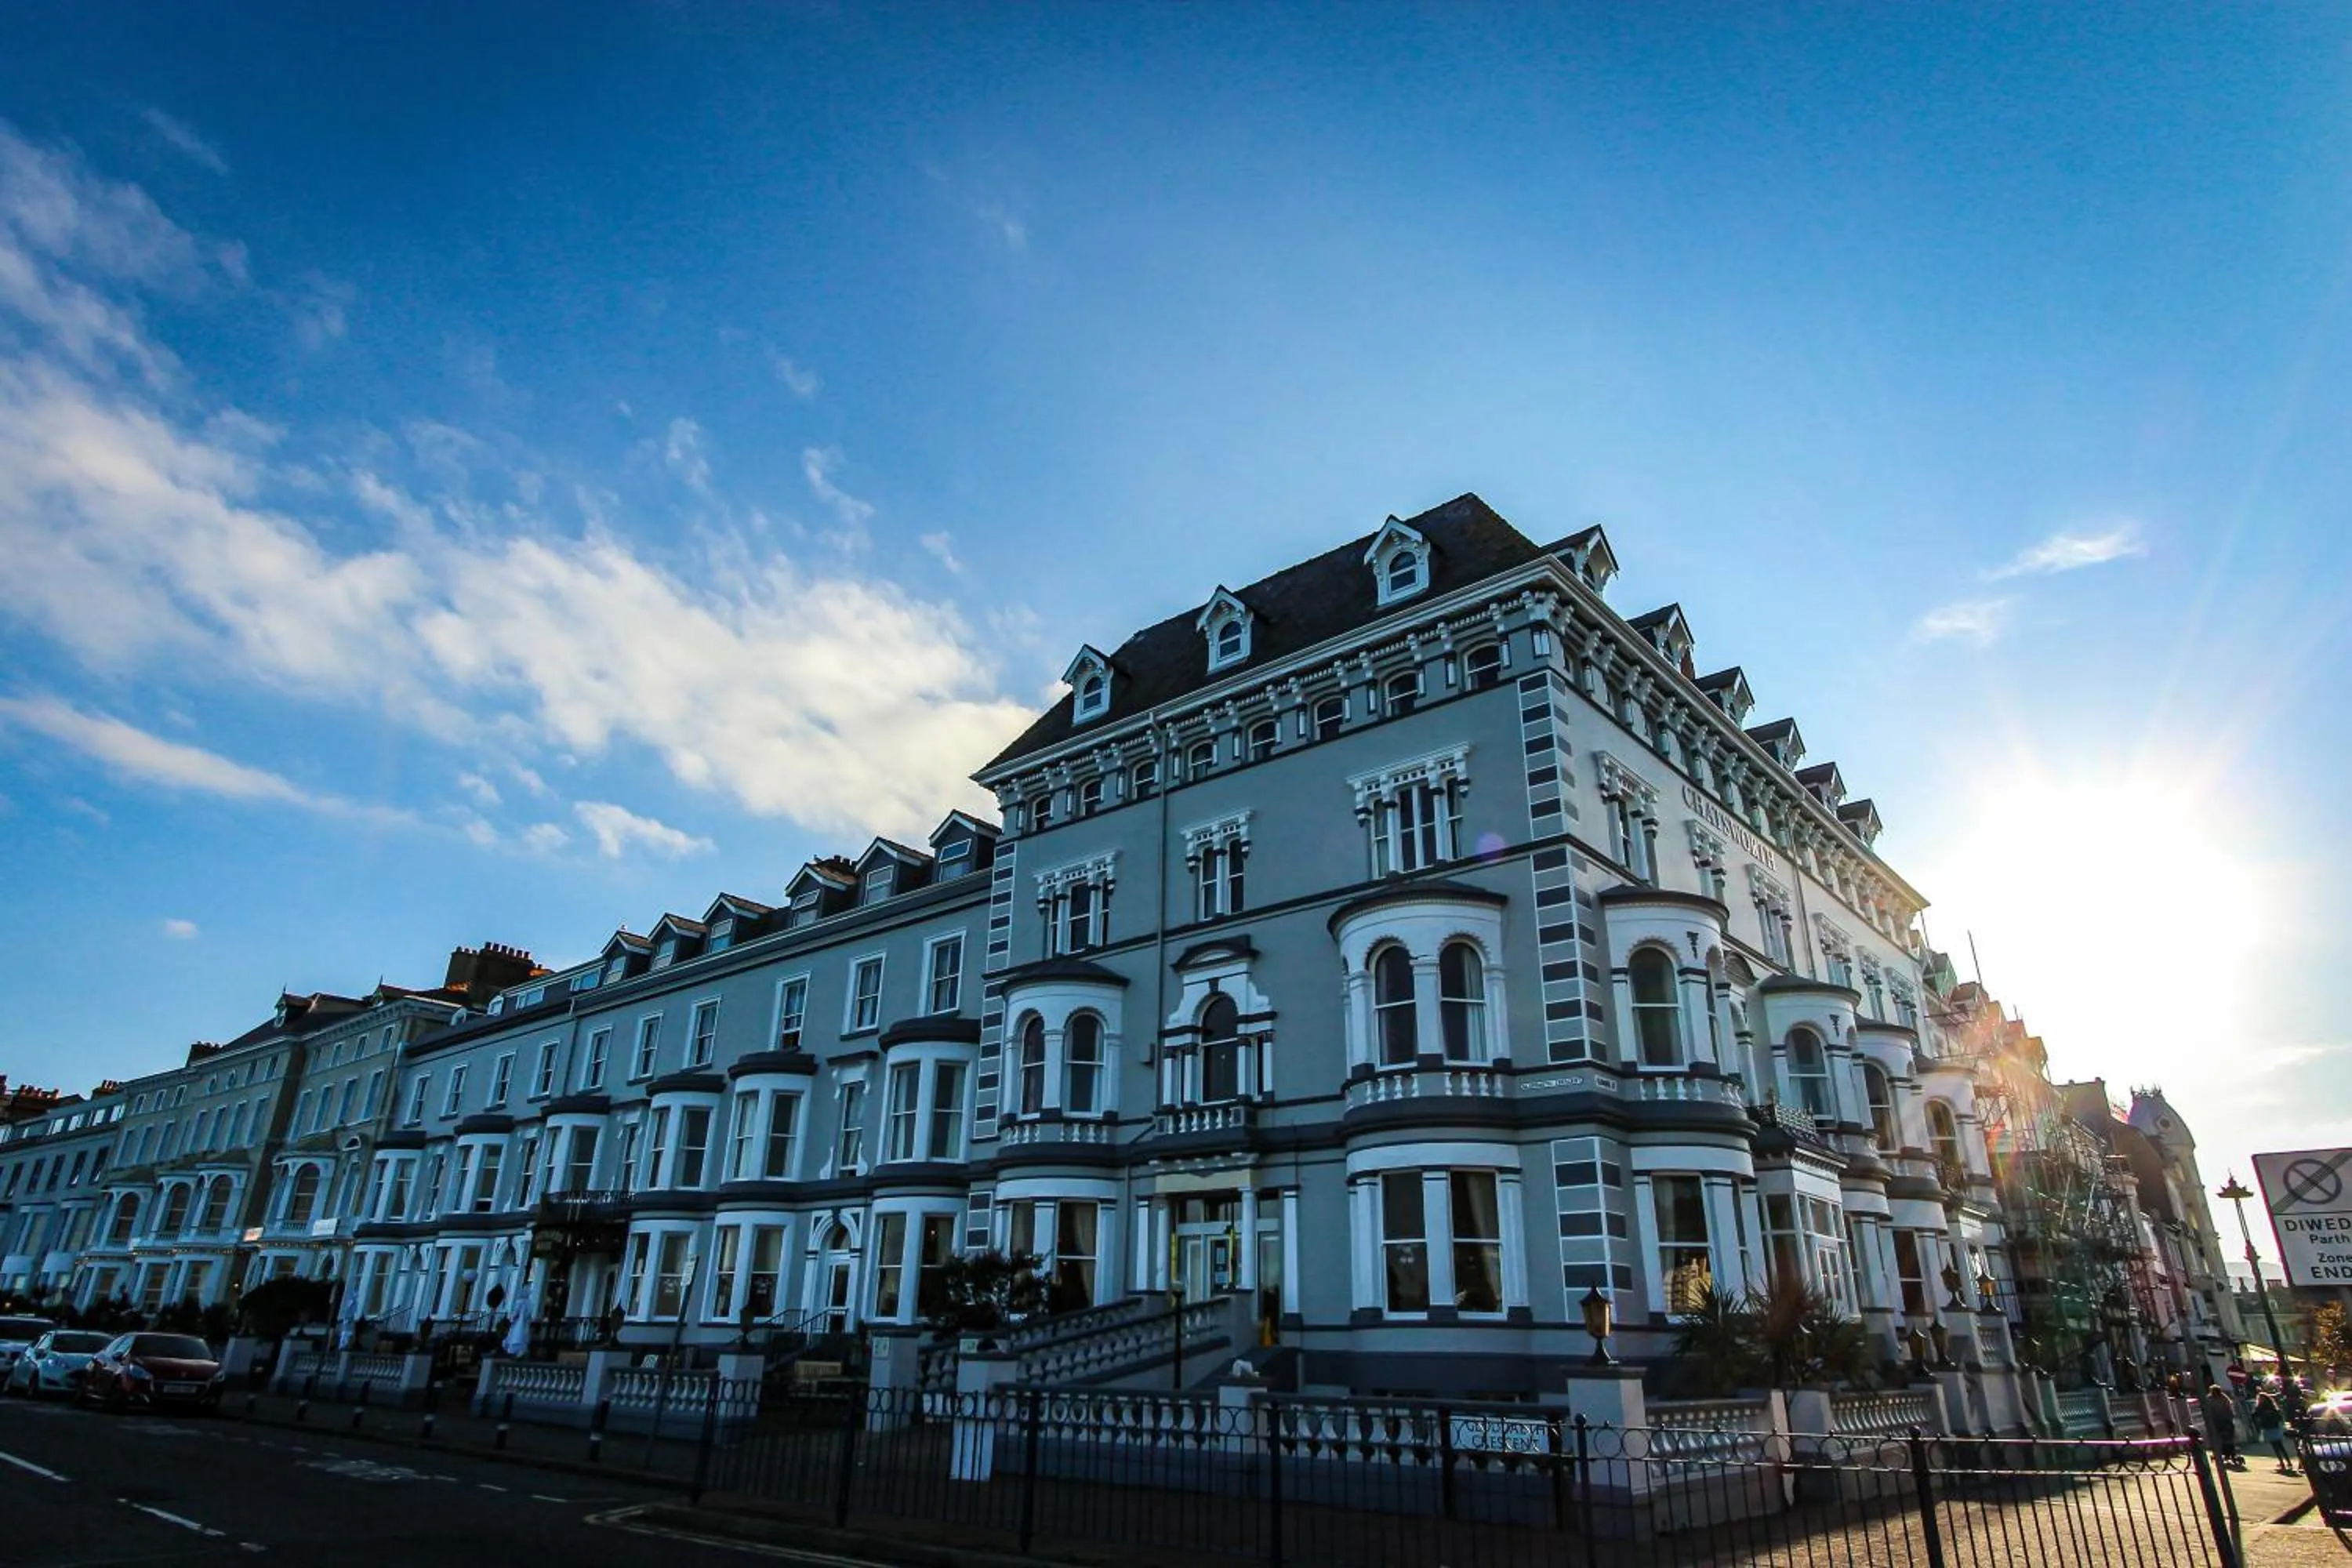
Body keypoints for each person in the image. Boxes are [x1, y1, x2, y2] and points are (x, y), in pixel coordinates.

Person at [2252, 1388, 2297, 1475]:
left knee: (2276, 1446)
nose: (2260, 1400)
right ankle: (2287, 1462)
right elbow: (2279, 1416)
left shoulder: (2260, 1407)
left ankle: (2283, 1462)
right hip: (2274, 1427)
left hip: (2268, 1428)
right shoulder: (2271, 1406)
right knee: (2279, 1446)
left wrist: (2259, 1422)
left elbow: (2254, 1416)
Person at [2204, 1383, 2244, 1470]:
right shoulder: (2224, 1398)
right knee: (2229, 1438)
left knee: (2219, 1439)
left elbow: (2208, 1411)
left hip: (2217, 1422)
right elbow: (2230, 1409)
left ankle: (2223, 1453)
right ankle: (2231, 1453)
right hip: (2225, 1421)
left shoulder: (2209, 1399)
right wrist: (2230, 1417)